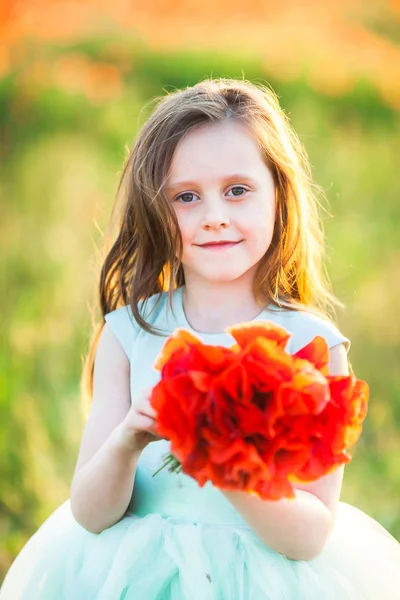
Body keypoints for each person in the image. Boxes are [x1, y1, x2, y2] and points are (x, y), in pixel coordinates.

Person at [1, 77, 399, 600]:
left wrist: (226, 462)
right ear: (156, 212)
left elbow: (309, 536)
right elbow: (91, 514)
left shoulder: (310, 347)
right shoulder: (132, 331)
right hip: (137, 577)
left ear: (279, 195)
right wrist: (126, 440)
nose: (215, 217)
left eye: (238, 190)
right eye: (187, 197)